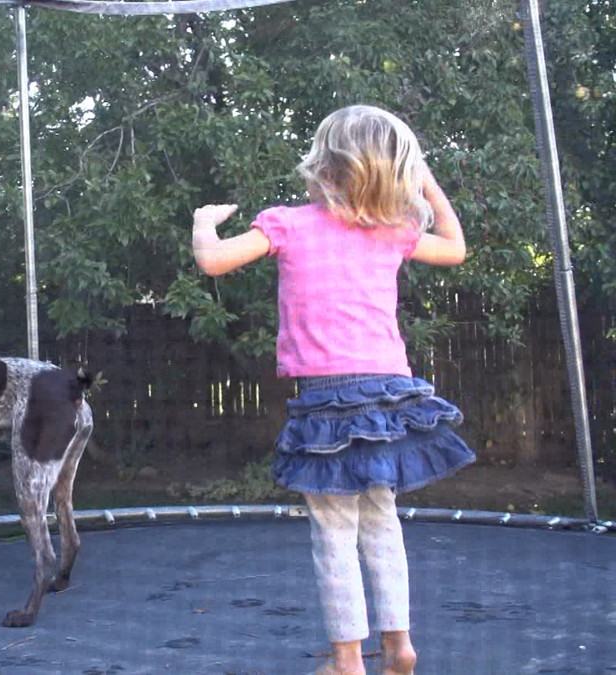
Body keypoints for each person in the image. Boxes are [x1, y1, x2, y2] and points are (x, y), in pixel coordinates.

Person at [191, 105, 475, 675]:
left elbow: (214, 262)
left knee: (334, 532)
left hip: (328, 398)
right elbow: (456, 246)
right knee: (382, 522)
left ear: (323, 166)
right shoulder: (393, 232)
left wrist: (203, 222)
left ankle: (347, 659)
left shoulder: (287, 224)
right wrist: (430, 185)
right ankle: (400, 645)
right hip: (390, 397)